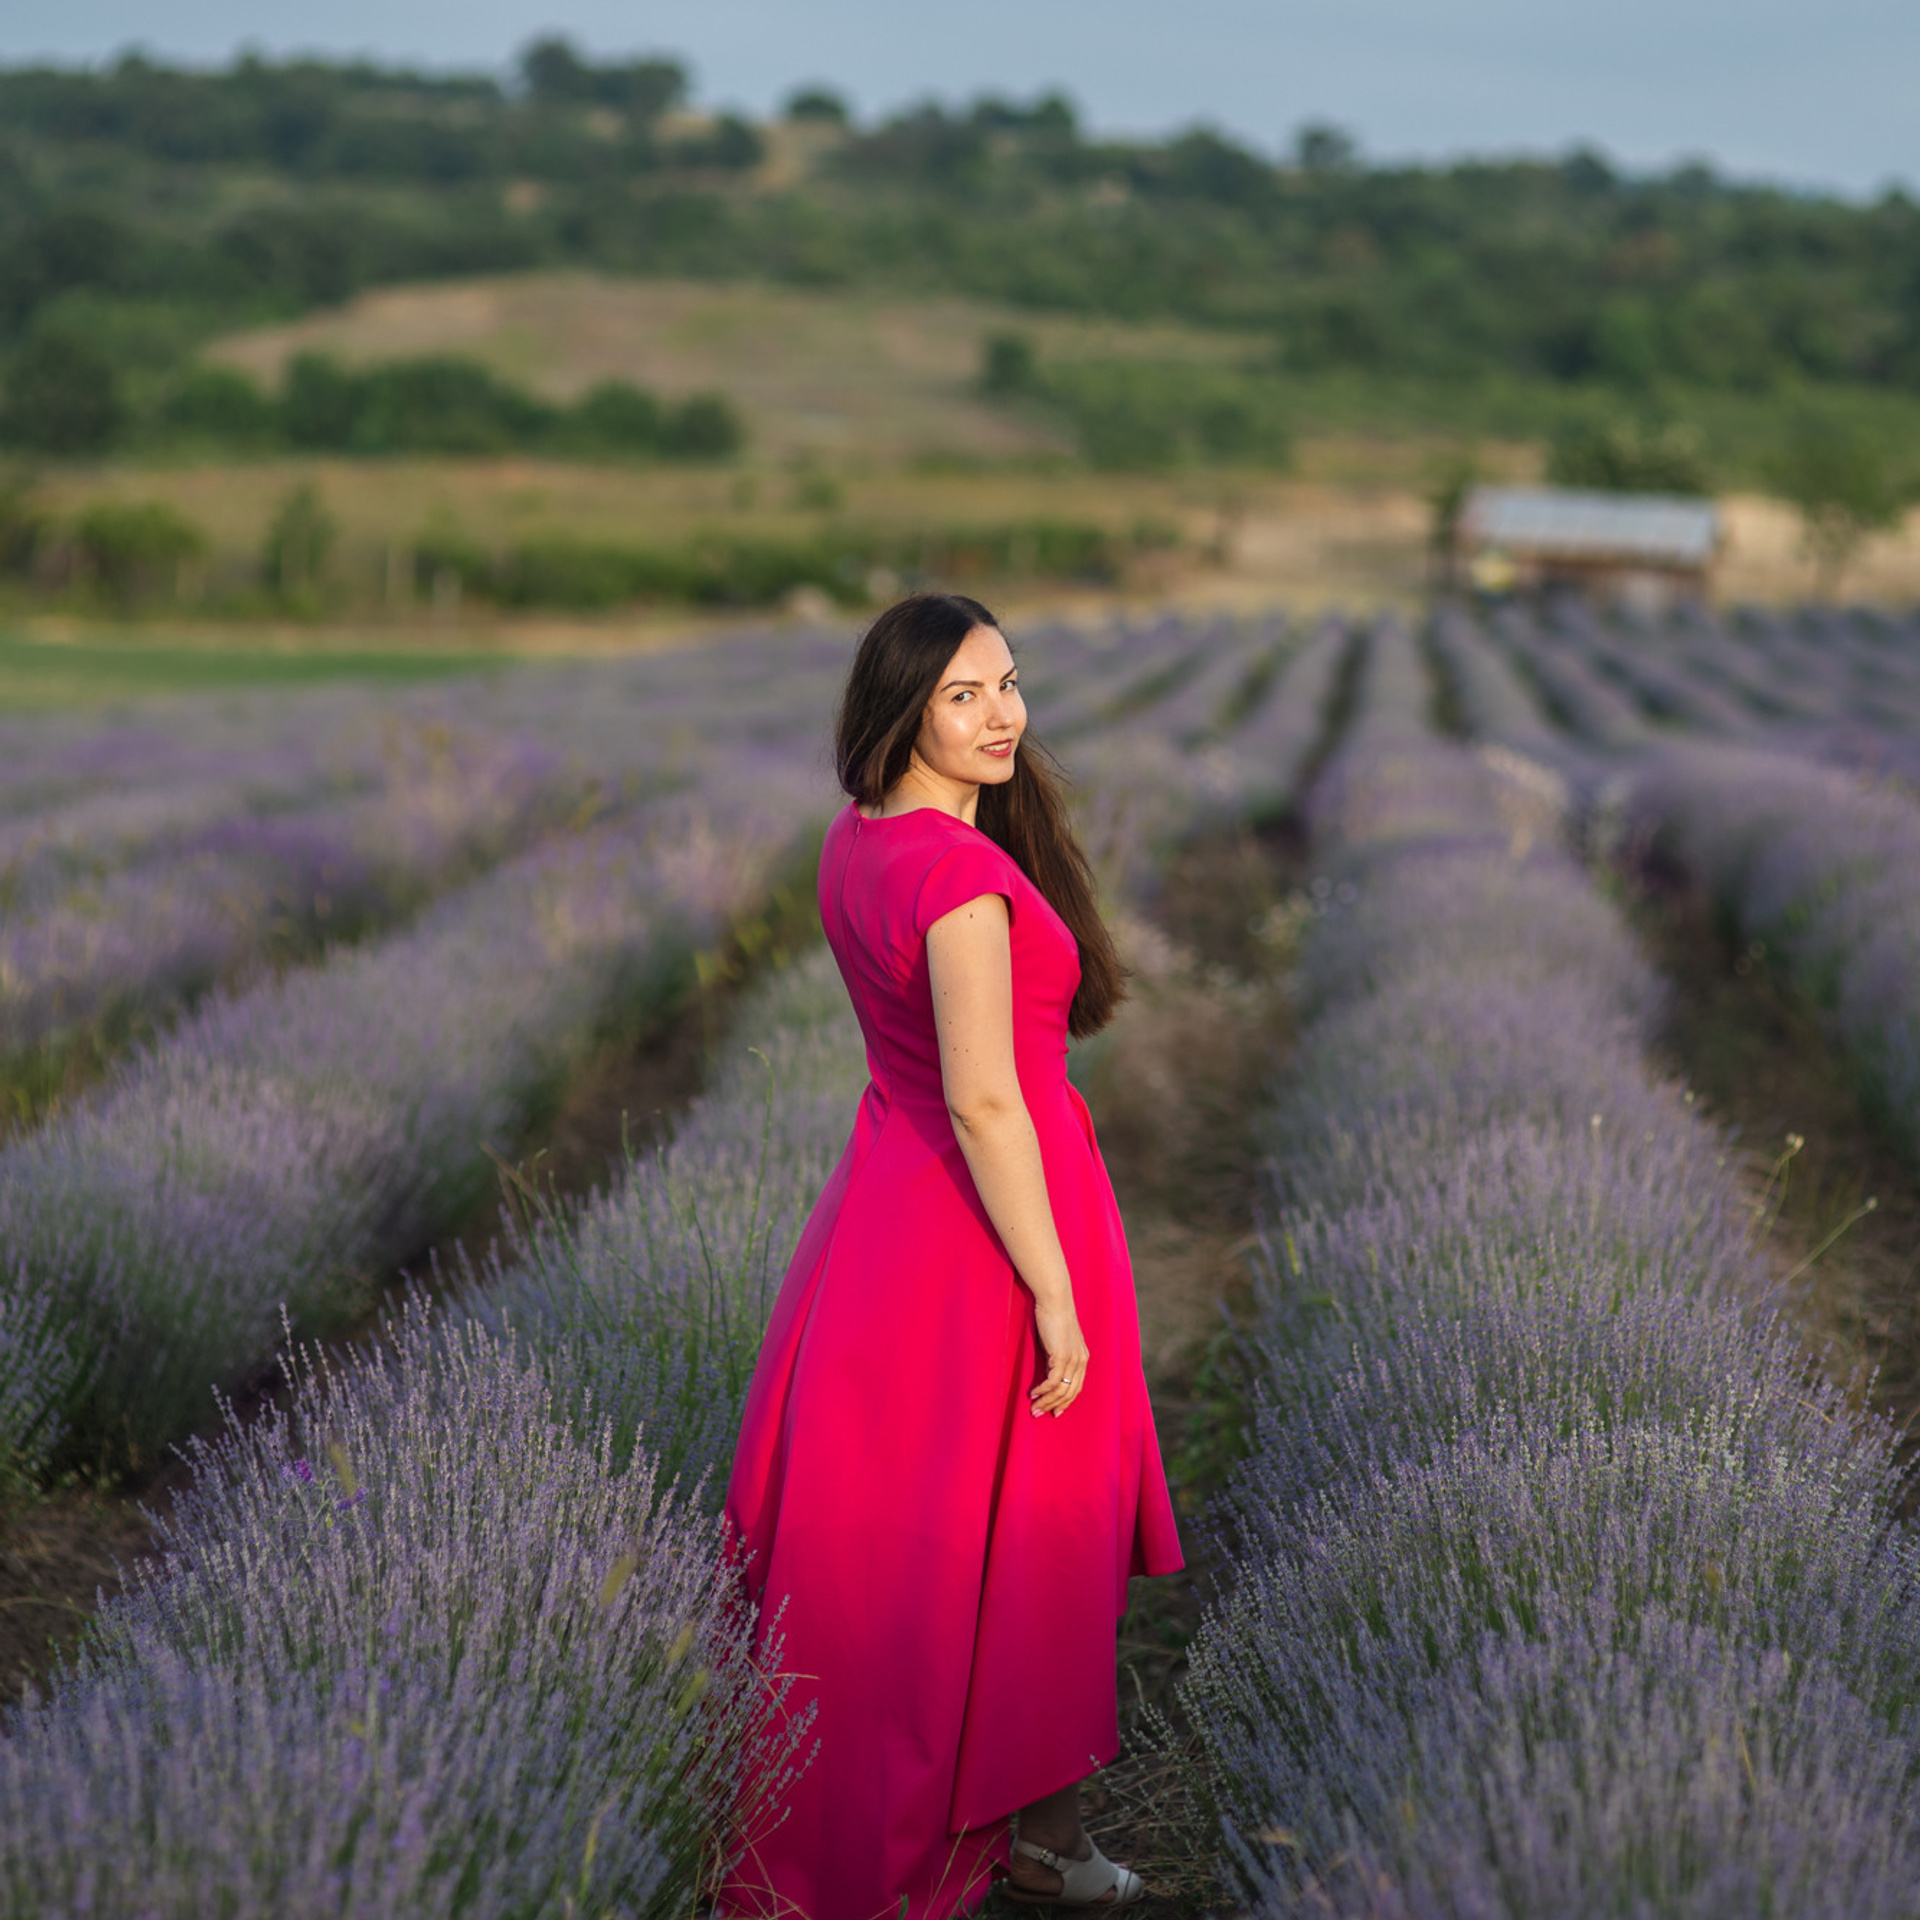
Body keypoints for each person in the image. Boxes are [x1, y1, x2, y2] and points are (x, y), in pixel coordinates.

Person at [723, 593, 1183, 1919]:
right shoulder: (962, 884)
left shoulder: (861, 841)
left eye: (1009, 685)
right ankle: (1023, 1839)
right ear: (903, 710)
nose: (1000, 717)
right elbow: (988, 1101)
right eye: (964, 697)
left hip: (883, 1219)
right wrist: (1053, 1289)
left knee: (887, 1557)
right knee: (1026, 1545)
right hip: (988, 1237)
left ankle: (991, 1829)